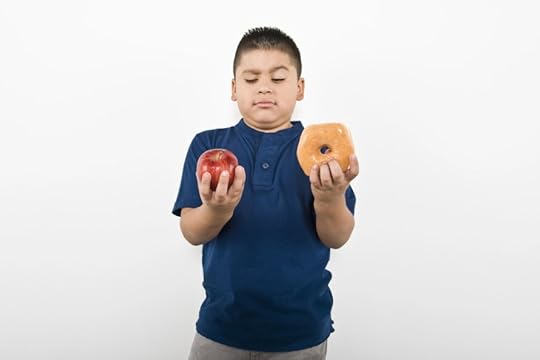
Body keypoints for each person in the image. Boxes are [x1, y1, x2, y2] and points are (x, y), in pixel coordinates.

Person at [172, 26, 359, 360]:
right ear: (233, 88)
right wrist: (216, 211)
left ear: (299, 88)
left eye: (278, 78)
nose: (263, 88)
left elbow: (337, 237)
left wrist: (330, 198)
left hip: (300, 334)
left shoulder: (322, 154)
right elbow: (191, 232)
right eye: (251, 78)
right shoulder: (208, 146)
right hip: (221, 328)